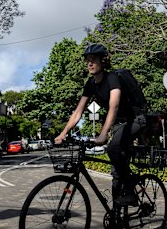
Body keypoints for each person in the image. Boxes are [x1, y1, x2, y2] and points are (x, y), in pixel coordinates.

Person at [54, 43, 147, 209]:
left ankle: (132, 190)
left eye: (93, 60)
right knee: (116, 173)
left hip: (136, 120)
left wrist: (103, 134)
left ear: (103, 62)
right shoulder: (90, 84)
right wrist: (63, 134)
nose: (89, 63)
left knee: (112, 149)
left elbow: (114, 106)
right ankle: (114, 220)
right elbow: (78, 112)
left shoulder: (113, 78)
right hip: (120, 124)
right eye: (87, 60)